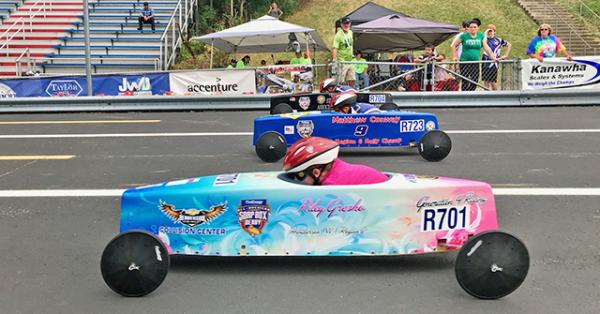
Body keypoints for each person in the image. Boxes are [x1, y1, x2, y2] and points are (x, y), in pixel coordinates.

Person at [283, 137, 388, 185]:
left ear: (316, 172)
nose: (295, 180)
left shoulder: (332, 184)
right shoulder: (335, 166)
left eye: (299, 176)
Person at [451, 19, 495, 91]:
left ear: (478, 28)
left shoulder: (481, 35)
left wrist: (493, 57)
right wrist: (454, 56)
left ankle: (470, 95)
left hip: (475, 62)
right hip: (464, 62)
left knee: (474, 81)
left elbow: (486, 47)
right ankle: (465, 96)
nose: (473, 29)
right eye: (471, 27)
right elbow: (454, 45)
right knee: (465, 81)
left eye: (475, 27)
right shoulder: (464, 36)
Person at [482, 24, 512, 90]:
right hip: (485, 60)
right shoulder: (484, 39)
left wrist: (505, 55)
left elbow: (509, 45)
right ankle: (485, 96)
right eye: (488, 30)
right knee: (485, 80)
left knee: (492, 81)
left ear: (494, 31)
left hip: (494, 62)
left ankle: (496, 94)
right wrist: (485, 34)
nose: (489, 32)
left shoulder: (498, 40)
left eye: (491, 30)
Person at [332, 16, 355, 87]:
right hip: (342, 61)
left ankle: (352, 92)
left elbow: (350, 45)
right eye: (344, 23)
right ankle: (342, 92)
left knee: (352, 79)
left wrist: (352, 54)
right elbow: (334, 48)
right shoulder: (338, 35)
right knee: (342, 80)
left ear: (350, 24)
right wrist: (334, 60)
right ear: (341, 25)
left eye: (347, 23)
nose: (346, 25)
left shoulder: (351, 32)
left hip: (350, 60)